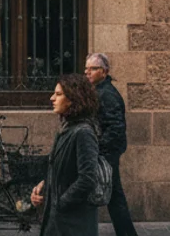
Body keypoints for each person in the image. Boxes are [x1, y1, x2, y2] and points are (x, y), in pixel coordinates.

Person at [30, 74, 101, 236]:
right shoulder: (66, 130)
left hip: (73, 224)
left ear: (73, 99)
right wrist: (43, 187)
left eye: (58, 94)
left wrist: (60, 203)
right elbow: (61, 170)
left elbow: (88, 179)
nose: (52, 98)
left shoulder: (83, 132)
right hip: (59, 221)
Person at [84, 52, 137, 236]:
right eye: (86, 69)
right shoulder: (99, 91)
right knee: (114, 197)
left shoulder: (107, 94)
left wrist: (99, 149)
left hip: (107, 153)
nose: (87, 72)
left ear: (104, 72)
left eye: (93, 69)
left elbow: (115, 128)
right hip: (105, 152)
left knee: (114, 196)